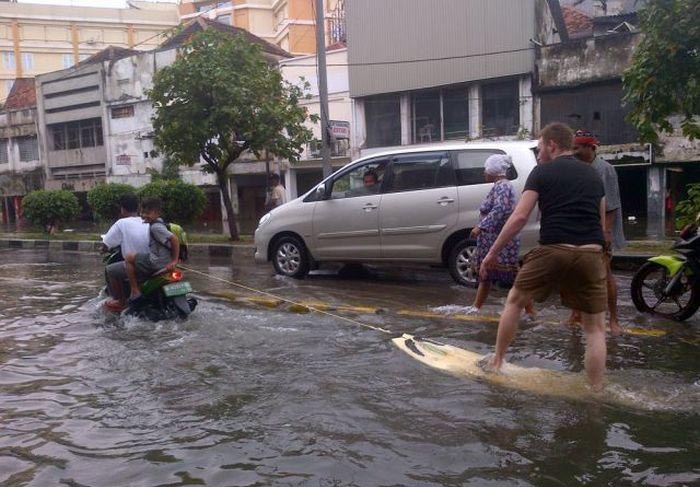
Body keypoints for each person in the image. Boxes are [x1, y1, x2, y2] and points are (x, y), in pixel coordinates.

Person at [479, 122, 608, 391]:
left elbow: (520, 216)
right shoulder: (594, 176)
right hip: (591, 253)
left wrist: (492, 253)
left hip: (554, 249)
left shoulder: (541, 172)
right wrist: (601, 257)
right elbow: (601, 222)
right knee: (595, 328)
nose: (538, 155)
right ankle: (597, 390)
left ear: (552, 145)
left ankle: (497, 360)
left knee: (514, 301)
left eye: (539, 148)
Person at [566, 130, 625, 336]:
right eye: (572, 148)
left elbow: (612, 206)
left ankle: (614, 319)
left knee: (605, 275)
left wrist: (606, 233)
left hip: (600, 230)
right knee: (576, 274)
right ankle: (576, 313)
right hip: (578, 229)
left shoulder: (605, 170)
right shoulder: (574, 169)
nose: (574, 152)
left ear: (591, 148)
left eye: (577, 148)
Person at [467, 154, 534, 318]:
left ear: (493, 171)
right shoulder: (500, 186)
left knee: (512, 275)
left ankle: (530, 310)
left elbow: (500, 209)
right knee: (486, 274)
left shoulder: (503, 186)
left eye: (486, 169)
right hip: (493, 238)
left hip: (501, 240)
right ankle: (476, 307)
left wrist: (481, 227)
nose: (484, 172)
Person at [124, 197, 180, 304]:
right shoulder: (160, 222)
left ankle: (135, 290)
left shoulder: (155, 227)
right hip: (164, 261)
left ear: (157, 213)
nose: (144, 215)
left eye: (148, 213)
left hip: (156, 263)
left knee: (129, 257)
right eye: (142, 212)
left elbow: (174, 239)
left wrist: (174, 261)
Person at [102, 194, 150, 312]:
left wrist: (103, 249)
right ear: (138, 208)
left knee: (110, 270)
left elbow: (107, 244)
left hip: (138, 264)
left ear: (122, 209)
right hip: (154, 261)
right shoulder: (147, 220)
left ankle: (120, 301)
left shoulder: (121, 223)